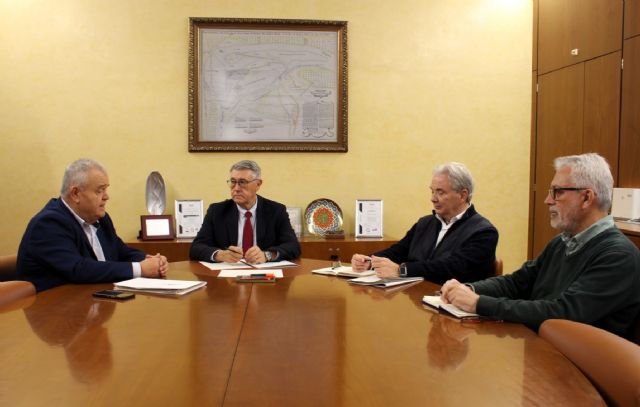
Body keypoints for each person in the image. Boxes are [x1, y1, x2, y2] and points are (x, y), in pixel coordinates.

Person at [441, 153, 640, 338]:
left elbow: (562, 313)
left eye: (557, 192)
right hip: (543, 347)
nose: (547, 200)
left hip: (579, 362)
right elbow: (517, 283)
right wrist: (468, 289)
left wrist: (479, 304)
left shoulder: (618, 256)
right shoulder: (561, 242)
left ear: (587, 197)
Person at [17, 159, 168, 292]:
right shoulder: (48, 223)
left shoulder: (101, 218)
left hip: (93, 302)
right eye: (100, 190)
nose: (106, 197)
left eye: (106, 189)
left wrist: (152, 260)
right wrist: (140, 269)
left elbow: (121, 252)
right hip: (55, 309)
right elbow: (78, 269)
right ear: (75, 194)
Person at [351, 162, 498, 284]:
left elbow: (452, 268)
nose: (433, 198)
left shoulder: (484, 232)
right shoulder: (425, 223)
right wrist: (369, 260)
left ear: (462, 195)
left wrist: (402, 270)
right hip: (415, 297)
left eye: (440, 192)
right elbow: (398, 252)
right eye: (432, 191)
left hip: (453, 304)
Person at [189, 160, 301, 264]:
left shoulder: (276, 211)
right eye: (233, 182)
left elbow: (293, 246)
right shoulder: (217, 211)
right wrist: (220, 255)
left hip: (263, 273)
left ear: (258, 184)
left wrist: (267, 255)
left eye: (242, 182)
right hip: (228, 273)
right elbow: (196, 248)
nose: (236, 188)